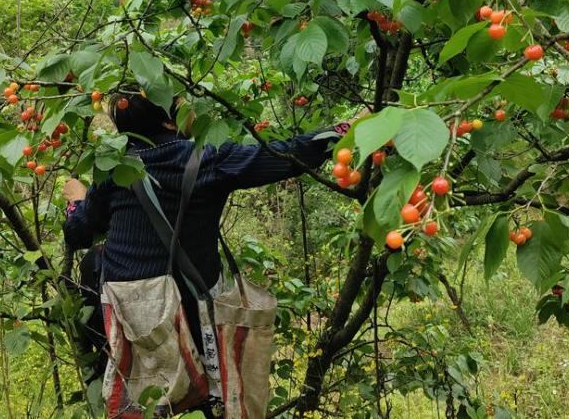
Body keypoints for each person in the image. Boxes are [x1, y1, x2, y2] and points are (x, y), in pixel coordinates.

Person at [62, 90, 356, 418]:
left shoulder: (114, 169)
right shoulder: (206, 157)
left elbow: (79, 233)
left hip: (128, 319)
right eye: (184, 105)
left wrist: (77, 200)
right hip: (191, 312)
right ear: (167, 120)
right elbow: (282, 156)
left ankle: (113, 374)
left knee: (94, 263)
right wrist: (347, 130)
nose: (193, 112)